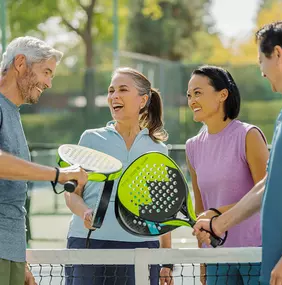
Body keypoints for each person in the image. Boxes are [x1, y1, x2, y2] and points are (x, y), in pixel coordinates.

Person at [193, 21, 282, 285]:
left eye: (260, 61)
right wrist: (219, 225)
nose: (262, 72)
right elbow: (267, 186)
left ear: (278, 54)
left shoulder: (249, 133)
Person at [64, 67, 173, 285]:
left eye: (123, 90)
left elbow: (161, 212)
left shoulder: (159, 149)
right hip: (89, 244)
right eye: (111, 90)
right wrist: (85, 212)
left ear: (143, 100)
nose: (114, 96)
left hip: (141, 248)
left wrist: (167, 261)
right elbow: (72, 193)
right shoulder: (90, 139)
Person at [0, 36, 88, 285]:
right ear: (20, 63)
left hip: (11, 253)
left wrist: (20, 259)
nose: (49, 83)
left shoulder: (12, 113)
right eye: (46, 72)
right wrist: (59, 174)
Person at [185, 65, 269, 284]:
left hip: (256, 253)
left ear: (222, 95)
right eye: (189, 95)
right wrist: (203, 259)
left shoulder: (248, 135)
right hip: (217, 258)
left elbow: (268, 195)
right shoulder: (192, 147)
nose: (192, 100)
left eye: (198, 93)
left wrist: (217, 214)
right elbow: (200, 210)